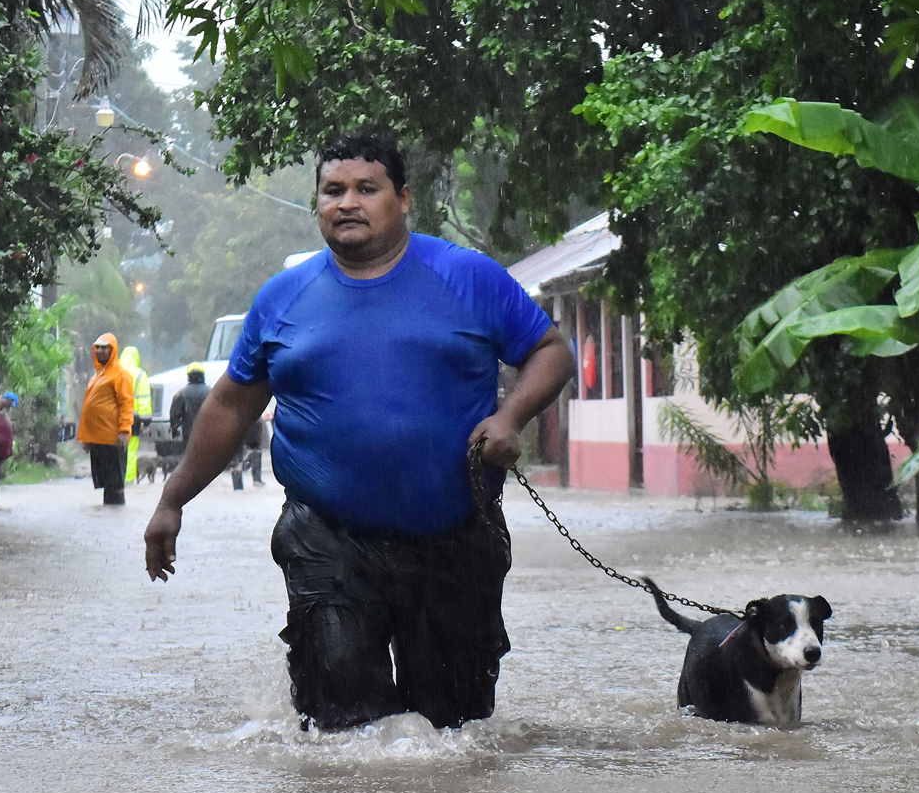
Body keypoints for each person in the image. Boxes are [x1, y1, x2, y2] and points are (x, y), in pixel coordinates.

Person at [144, 129, 573, 731]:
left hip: (453, 533)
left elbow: (551, 350)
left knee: (452, 730)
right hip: (326, 537)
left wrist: (511, 416)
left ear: (403, 198)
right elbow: (230, 407)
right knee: (341, 729)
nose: (348, 203)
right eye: (333, 190)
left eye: (366, 189)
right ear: (317, 204)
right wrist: (171, 500)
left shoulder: (468, 277)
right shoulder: (282, 299)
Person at [78, 332, 134, 505]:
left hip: (112, 440)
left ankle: (116, 520)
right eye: (97, 347)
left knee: (115, 486)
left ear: (113, 350)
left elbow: (126, 404)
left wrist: (124, 431)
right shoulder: (98, 376)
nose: (99, 351)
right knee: (105, 485)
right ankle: (109, 518)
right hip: (98, 440)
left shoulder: (120, 374)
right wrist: (87, 438)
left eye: (104, 348)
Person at [121, 345, 151, 485]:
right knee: (130, 450)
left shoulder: (114, 371)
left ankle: (114, 479)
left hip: (114, 417)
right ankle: (127, 480)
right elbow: (144, 399)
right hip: (134, 418)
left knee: (114, 448)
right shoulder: (140, 374)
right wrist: (146, 422)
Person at [168, 365, 209, 442]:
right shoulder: (210, 392)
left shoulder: (181, 393)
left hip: (189, 433)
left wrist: (174, 427)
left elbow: (174, 413)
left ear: (189, 377)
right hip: (207, 432)